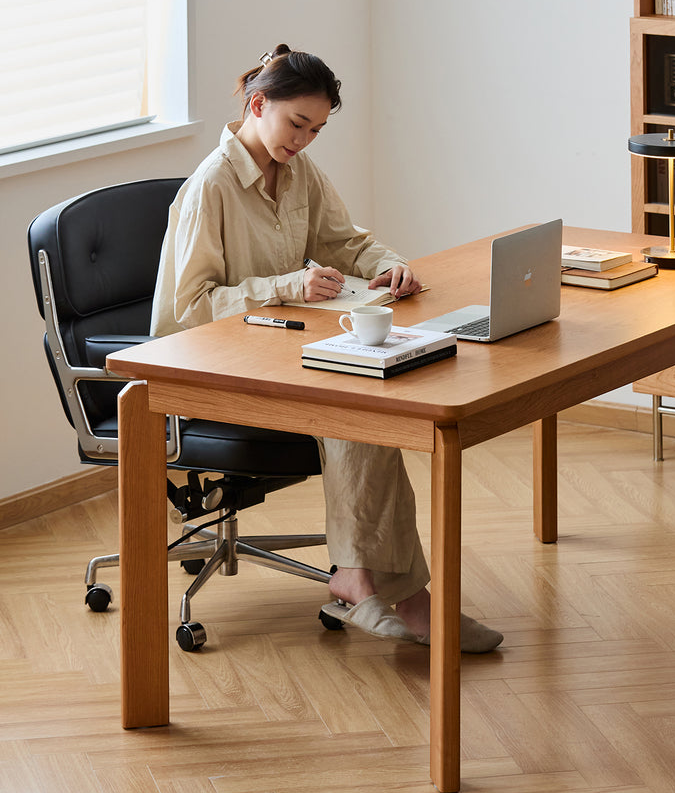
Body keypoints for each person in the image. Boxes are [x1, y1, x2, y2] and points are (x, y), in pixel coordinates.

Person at [150, 44, 502, 653]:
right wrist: (287, 285)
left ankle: (401, 595)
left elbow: (345, 241)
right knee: (355, 413)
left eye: (316, 129)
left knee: (373, 400)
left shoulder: (298, 173)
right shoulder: (212, 186)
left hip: (280, 354)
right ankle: (375, 586)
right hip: (209, 372)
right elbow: (190, 310)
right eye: (296, 124)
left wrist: (391, 268)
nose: (304, 140)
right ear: (257, 104)